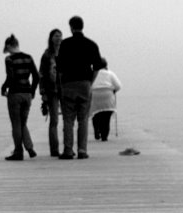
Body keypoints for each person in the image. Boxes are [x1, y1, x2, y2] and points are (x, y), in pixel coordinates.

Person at [56, 15, 104, 159]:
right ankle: (82, 150)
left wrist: (61, 85)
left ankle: (68, 151)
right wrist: (90, 81)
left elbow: (59, 69)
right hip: (85, 83)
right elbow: (97, 67)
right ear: (82, 26)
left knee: (68, 120)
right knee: (83, 119)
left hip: (68, 84)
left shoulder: (65, 44)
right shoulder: (91, 44)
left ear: (71, 27)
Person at [0, 34, 39, 161]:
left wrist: (3, 87)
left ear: (11, 46)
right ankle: (30, 148)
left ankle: (18, 152)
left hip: (15, 94)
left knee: (16, 124)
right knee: (23, 123)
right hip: (27, 95)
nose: (7, 51)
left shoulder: (9, 59)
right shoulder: (28, 57)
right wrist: (32, 91)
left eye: (7, 48)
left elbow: (10, 77)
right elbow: (36, 76)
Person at [38, 27, 63, 157]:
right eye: (56, 36)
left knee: (68, 120)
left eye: (60, 35)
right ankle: (54, 149)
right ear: (51, 38)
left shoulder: (66, 53)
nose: (58, 38)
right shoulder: (47, 55)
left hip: (65, 90)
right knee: (54, 120)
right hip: (52, 90)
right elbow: (41, 74)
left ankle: (68, 147)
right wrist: (43, 93)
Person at [89, 59, 121, 141]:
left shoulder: (92, 74)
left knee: (95, 114)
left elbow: (88, 85)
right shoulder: (110, 73)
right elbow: (118, 86)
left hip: (95, 94)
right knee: (106, 118)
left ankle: (96, 131)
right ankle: (104, 136)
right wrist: (113, 91)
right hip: (107, 94)